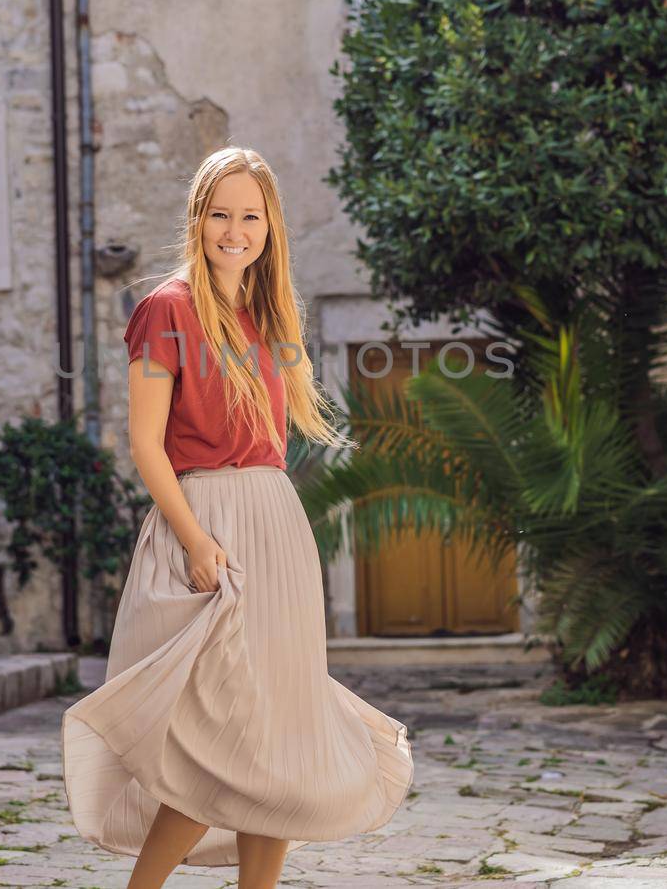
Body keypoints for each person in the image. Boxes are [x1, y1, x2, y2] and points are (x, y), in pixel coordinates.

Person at [60, 147, 415, 889]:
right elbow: (145, 444)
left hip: (276, 525)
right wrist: (195, 539)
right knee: (218, 744)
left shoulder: (273, 312)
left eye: (250, 215)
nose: (234, 229)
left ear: (269, 224)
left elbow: (281, 437)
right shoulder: (164, 308)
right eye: (221, 213)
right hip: (208, 526)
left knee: (274, 744)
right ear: (199, 217)